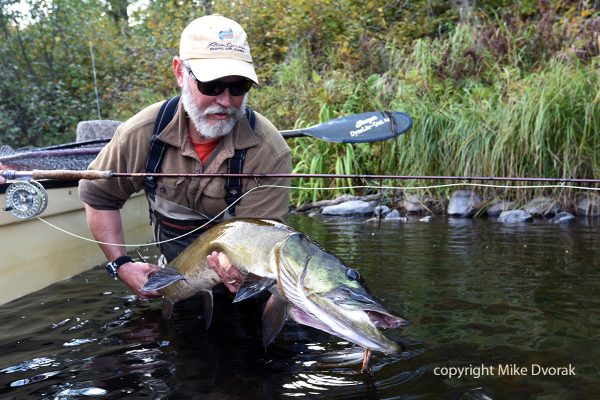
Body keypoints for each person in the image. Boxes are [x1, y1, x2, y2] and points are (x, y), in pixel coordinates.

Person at [78, 15, 291, 300]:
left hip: (242, 286)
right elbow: (98, 197)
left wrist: (248, 278)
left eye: (238, 86)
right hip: (175, 277)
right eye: (211, 85)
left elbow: (262, 248)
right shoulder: (141, 133)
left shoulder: (269, 151)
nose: (226, 100)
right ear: (180, 72)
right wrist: (121, 265)